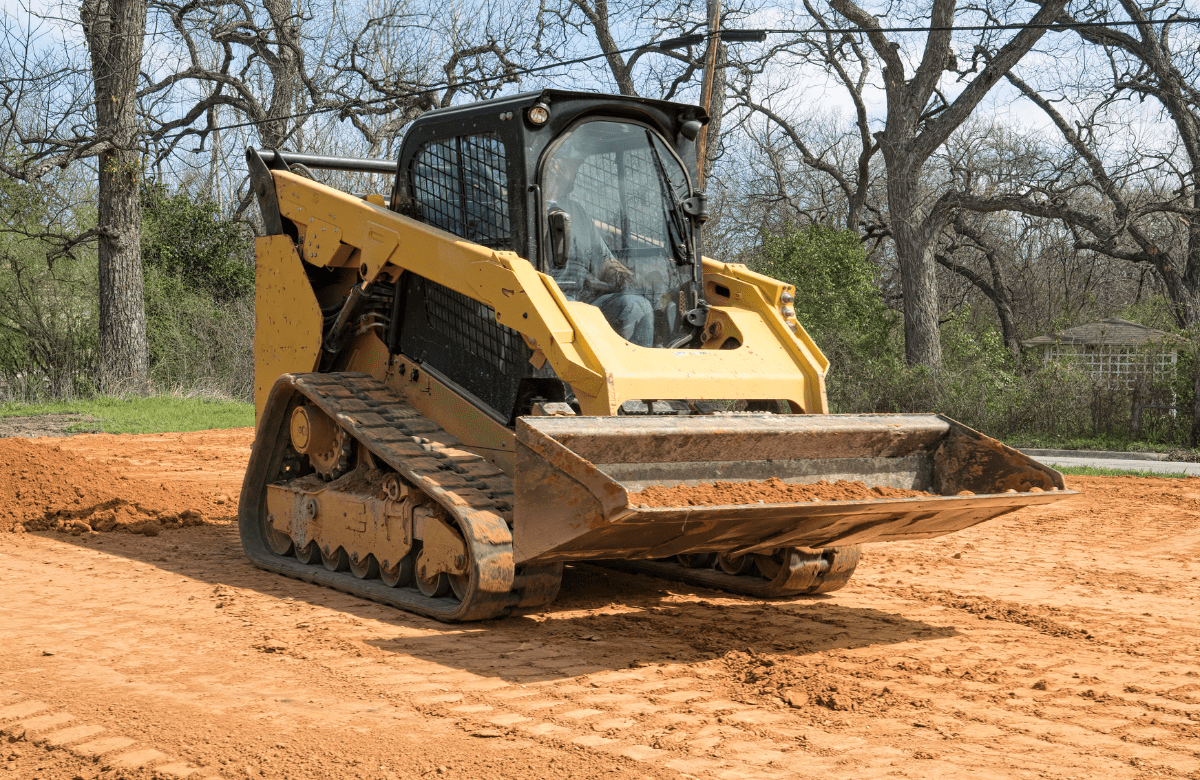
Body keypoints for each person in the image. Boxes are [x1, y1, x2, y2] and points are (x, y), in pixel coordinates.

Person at [543, 142, 655, 347]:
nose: (578, 168)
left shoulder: (577, 212)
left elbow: (604, 262)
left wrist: (635, 281)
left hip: (581, 301)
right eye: (573, 163)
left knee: (637, 306)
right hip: (545, 304)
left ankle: (635, 374)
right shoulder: (526, 208)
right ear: (553, 166)